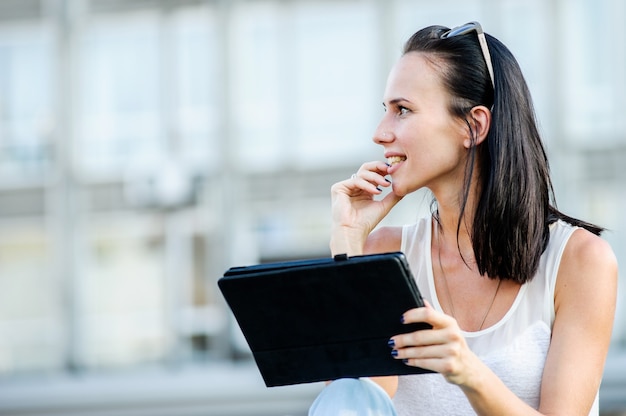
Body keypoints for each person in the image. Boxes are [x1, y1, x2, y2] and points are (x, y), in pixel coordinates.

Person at [327, 21, 618, 415]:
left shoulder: (580, 262)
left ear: (474, 125)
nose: (380, 133)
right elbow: (357, 403)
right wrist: (347, 240)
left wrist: (466, 370)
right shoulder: (381, 253)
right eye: (386, 110)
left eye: (403, 110)